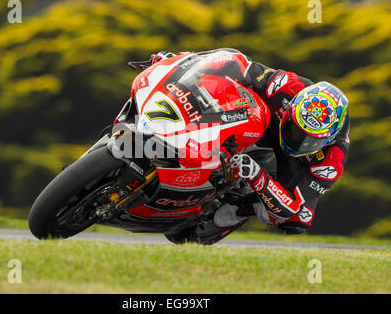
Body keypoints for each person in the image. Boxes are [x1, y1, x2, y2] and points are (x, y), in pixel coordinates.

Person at [148, 48, 350, 235]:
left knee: (296, 219)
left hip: (295, 162)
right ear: (292, 107)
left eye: (308, 141)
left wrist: (257, 175)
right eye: (294, 129)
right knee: (229, 75)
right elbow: (236, 62)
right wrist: (179, 62)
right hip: (263, 123)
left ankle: (244, 206)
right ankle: (191, 137)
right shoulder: (285, 86)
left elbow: (290, 205)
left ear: (327, 140)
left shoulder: (332, 160)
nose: (295, 140)